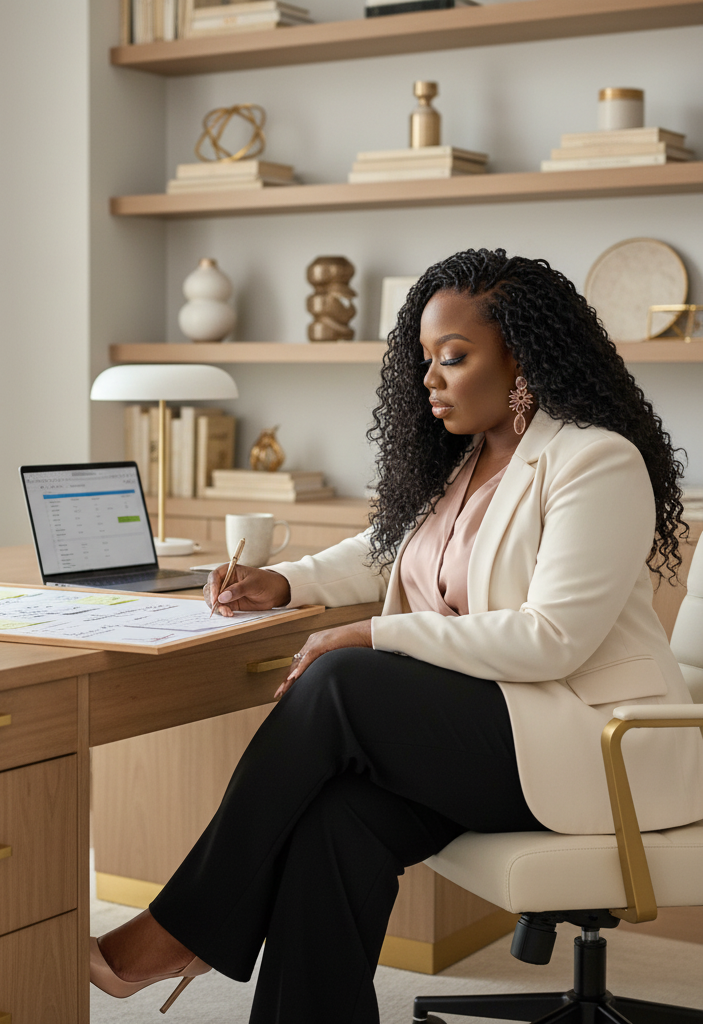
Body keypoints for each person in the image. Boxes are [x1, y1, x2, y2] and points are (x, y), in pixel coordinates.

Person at [88, 248, 703, 1022]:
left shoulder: (595, 461)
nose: (431, 378)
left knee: (340, 680)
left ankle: (183, 929)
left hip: (595, 744)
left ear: (522, 359)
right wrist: (285, 582)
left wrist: (376, 635)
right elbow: (383, 551)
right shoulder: (465, 463)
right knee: (336, 820)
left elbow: (554, 639)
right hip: (499, 732)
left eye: (455, 356)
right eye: (425, 358)